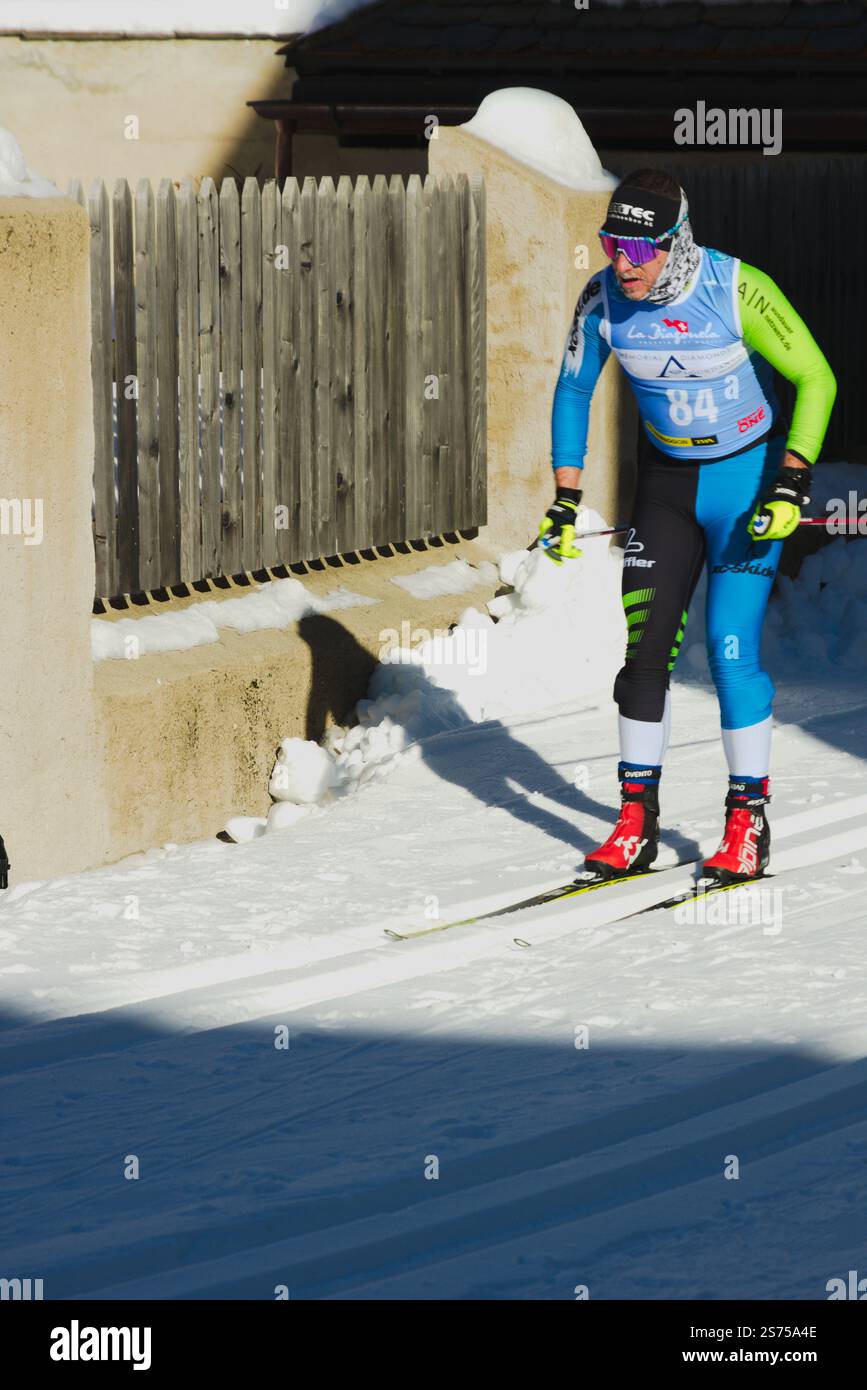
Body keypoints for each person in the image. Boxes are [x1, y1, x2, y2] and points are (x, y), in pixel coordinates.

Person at [541, 168, 836, 884]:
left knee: (729, 651)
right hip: (667, 490)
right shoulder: (602, 295)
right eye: (612, 243)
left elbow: (816, 378)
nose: (623, 262)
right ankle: (635, 820)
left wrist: (792, 482)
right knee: (642, 655)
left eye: (639, 250)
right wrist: (564, 498)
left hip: (745, 484)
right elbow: (573, 386)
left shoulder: (734, 287)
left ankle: (746, 822)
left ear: (675, 245)